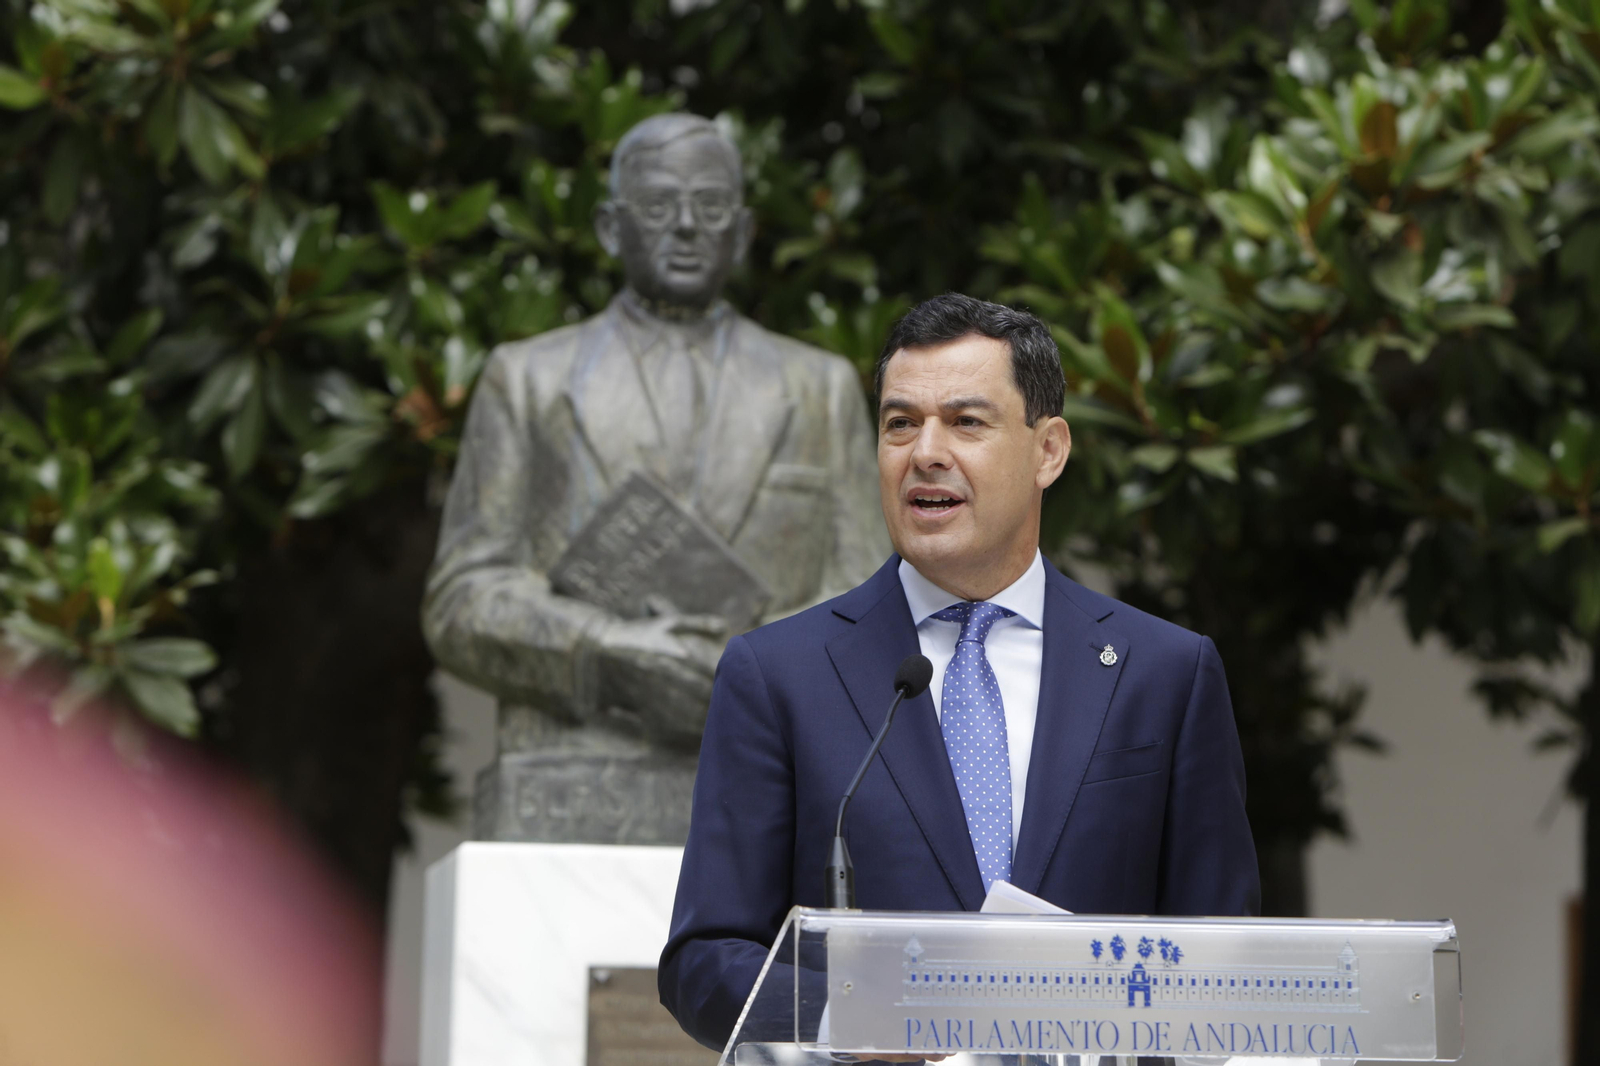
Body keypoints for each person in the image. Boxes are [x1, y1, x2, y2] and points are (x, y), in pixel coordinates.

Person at [658, 293, 1260, 1050]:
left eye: (966, 422)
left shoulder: (1165, 673)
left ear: (1048, 450)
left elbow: (1225, 952)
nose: (924, 452)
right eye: (900, 423)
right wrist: (864, 1017)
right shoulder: (778, 675)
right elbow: (704, 958)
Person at [422, 114, 887, 843]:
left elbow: (867, 604)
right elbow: (462, 598)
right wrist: (606, 651)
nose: (685, 226)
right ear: (610, 227)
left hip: (763, 785)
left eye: (708, 206)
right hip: (573, 776)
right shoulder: (530, 379)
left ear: (742, 230)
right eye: (659, 205)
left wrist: (751, 677)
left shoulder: (819, 389)